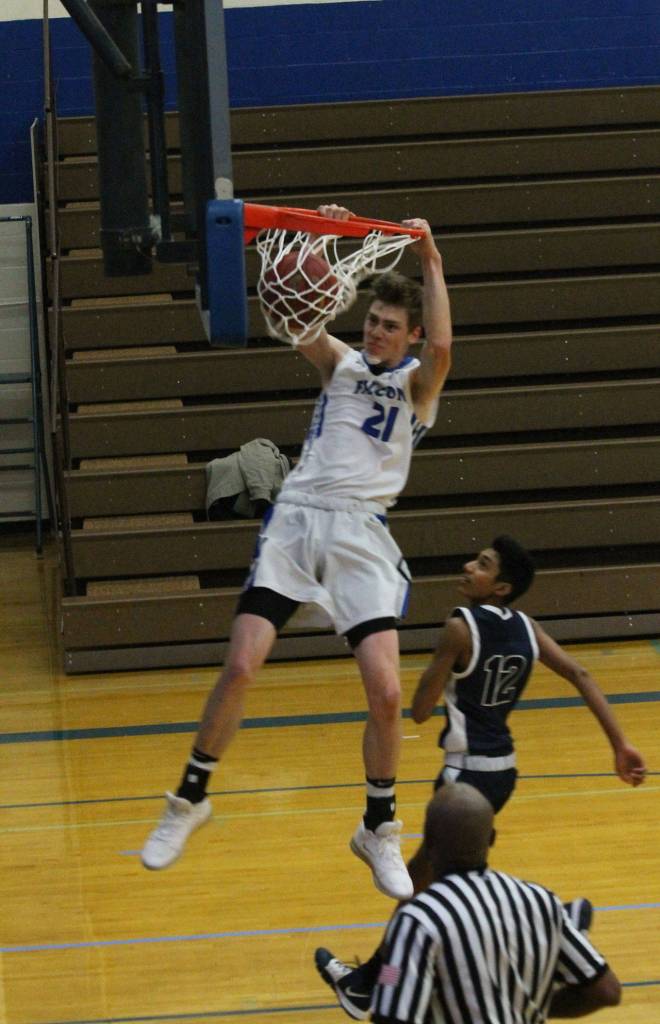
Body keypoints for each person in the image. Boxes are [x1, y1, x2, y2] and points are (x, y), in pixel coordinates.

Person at [140, 204, 454, 900]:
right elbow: (295, 316)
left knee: (387, 692)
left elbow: (442, 351)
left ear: (407, 335)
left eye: (388, 326)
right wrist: (317, 239)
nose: (375, 331)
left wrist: (429, 258)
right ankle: (188, 798)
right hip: (300, 524)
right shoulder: (339, 365)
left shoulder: (417, 388)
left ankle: (379, 826)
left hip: (362, 535)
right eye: (371, 320)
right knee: (243, 665)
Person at [315, 534, 646, 1019]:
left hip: (462, 779)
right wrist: (621, 744)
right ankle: (549, 924)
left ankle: (373, 983)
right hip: (502, 774)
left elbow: (422, 711)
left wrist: (434, 672)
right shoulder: (528, 628)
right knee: (433, 884)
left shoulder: (459, 626)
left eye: (483, 565)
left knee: (416, 892)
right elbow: (581, 675)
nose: (470, 566)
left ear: (500, 588)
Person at [370, 783, 622, 1023]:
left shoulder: (419, 919)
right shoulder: (541, 901)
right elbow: (607, 991)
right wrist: (534, 1006)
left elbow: (391, 1014)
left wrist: (388, 971)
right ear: (491, 838)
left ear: (429, 842)